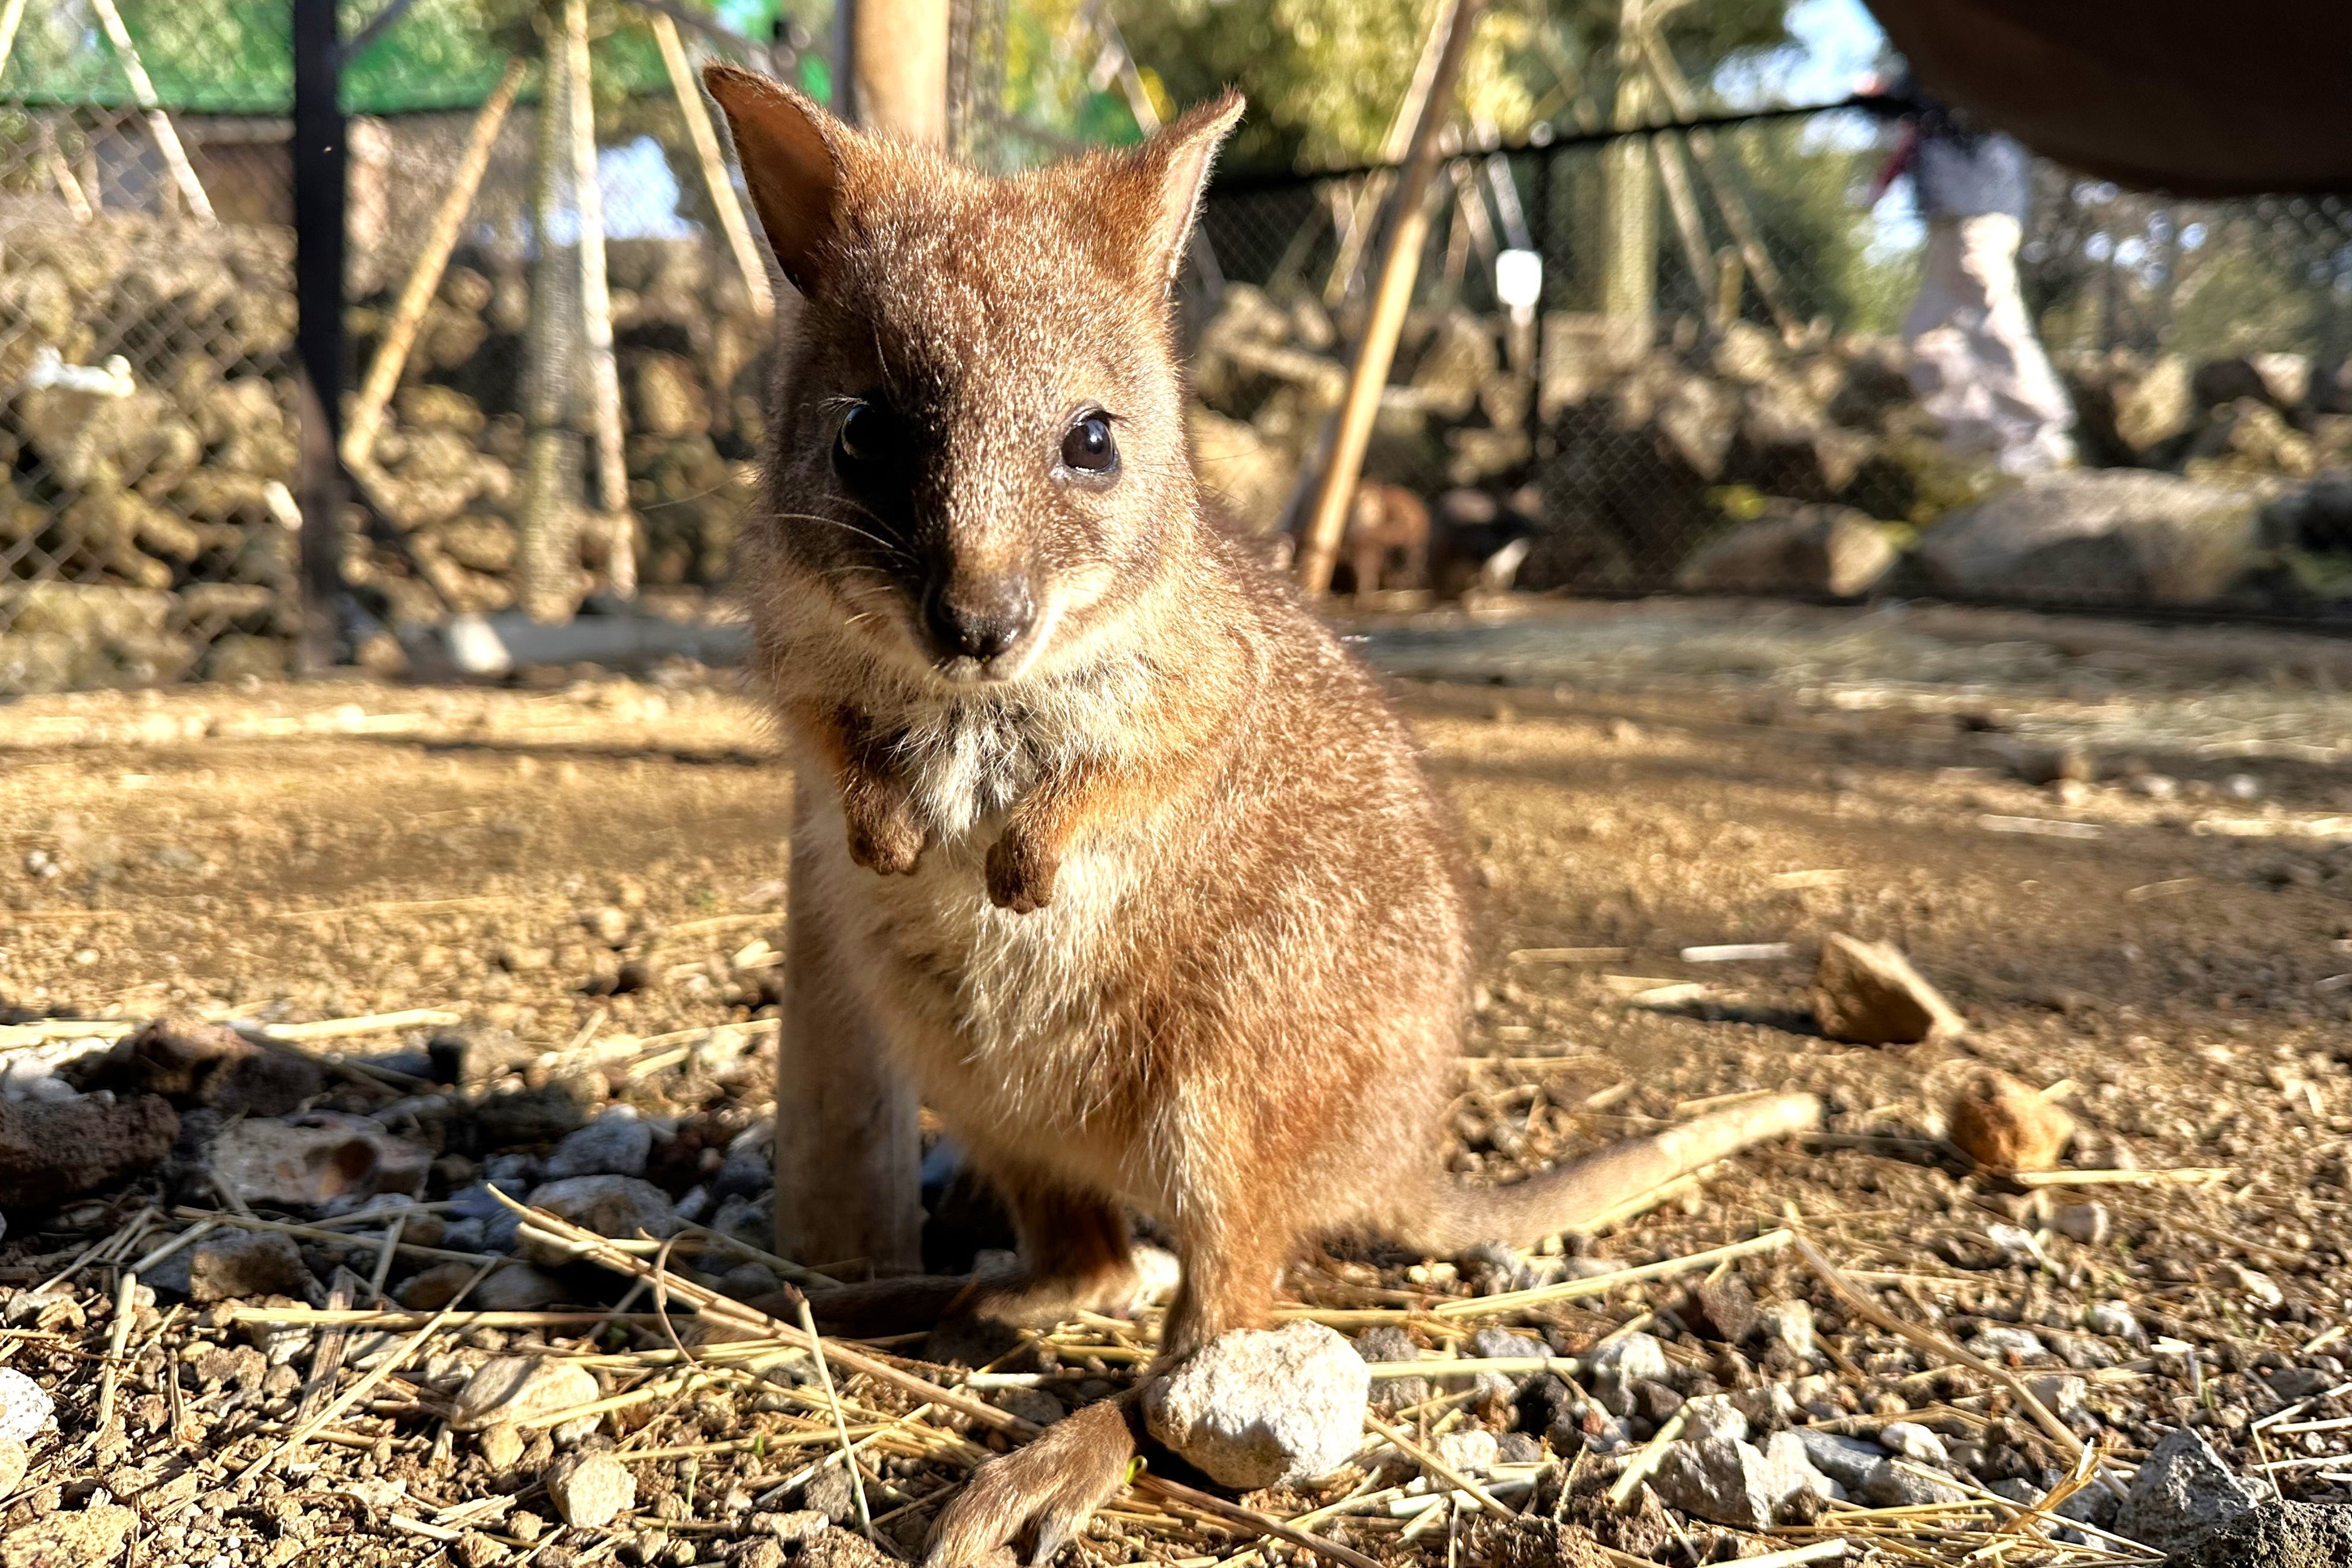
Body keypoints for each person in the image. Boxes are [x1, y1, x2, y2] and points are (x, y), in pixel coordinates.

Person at [1871, 66, 2077, 475]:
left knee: (1990, 312)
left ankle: (2040, 435)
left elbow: (1920, 98)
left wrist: (1884, 91)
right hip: (1951, 214)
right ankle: (1976, 441)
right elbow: (1901, 111)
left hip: (1977, 208)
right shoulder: (1927, 59)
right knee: (1928, 333)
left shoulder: (1963, 50)